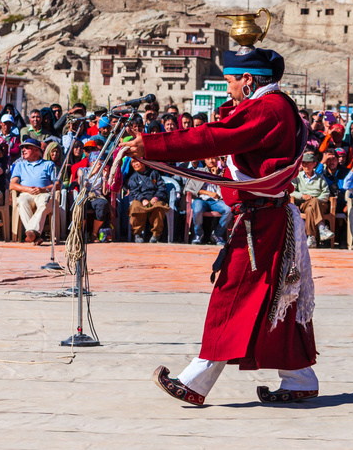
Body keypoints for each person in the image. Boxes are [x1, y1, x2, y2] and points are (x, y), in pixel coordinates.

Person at [124, 45, 317, 406]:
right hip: (264, 217)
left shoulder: (268, 108)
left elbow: (214, 137)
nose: (227, 88)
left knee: (233, 294)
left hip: (258, 222)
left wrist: (151, 146)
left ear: (247, 79)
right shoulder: (270, 105)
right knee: (276, 298)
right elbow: (226, 125)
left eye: (230, 81)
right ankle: (299, 376)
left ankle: (195, 381)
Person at [9, 137, 59, 244]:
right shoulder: (20, 165)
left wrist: (42, 189)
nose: (23, 150)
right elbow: (12, 185)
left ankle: (31, 233)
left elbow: (57, 184)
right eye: (22, 148)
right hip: (26, 193)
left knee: (45, 202)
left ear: (37, 150)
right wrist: (27, 189)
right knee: (22, 201)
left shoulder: (48, 164)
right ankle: (34, 235)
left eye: (27, 147)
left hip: (43, 193)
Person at [291, 151, 333, 248]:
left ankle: (311, 238)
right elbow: (291, 191)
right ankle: (322, 228)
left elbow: (326, 193)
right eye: (304, 163)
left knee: (311, 209)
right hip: (303, 202)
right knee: (311, 205)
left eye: (308, 163)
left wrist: (317, 200)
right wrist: (302, 195)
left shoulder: (320, 177)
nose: (306, 165)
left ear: (314, 164)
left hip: (320, 204)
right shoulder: (298, 176)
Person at [186, 156, 231, 245]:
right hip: (201, 199)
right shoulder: (199, 171)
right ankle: (198, 234)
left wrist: (215, 177)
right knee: (197, 209)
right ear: (204, 160)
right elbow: (189, 188)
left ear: (217, 159)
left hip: (216, 201)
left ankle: (218, 234)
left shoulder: (222, 173)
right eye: (208, 159)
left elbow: (225, 191)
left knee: (229, 209)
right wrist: (208, 193)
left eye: (213, 158)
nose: (211, 161)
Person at [124, 158, 169, 243]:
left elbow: (161, 187)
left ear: (144, 162)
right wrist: (142, 199)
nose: (135, 164)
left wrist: (156, 197)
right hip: (140, 200)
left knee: (158, 208)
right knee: (135, 208)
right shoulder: (133, 177)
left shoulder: (154, 173)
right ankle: (137, 234)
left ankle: (156, 234)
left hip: (154, 199)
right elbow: (134, 191)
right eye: (133, 162)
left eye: (137, 161)